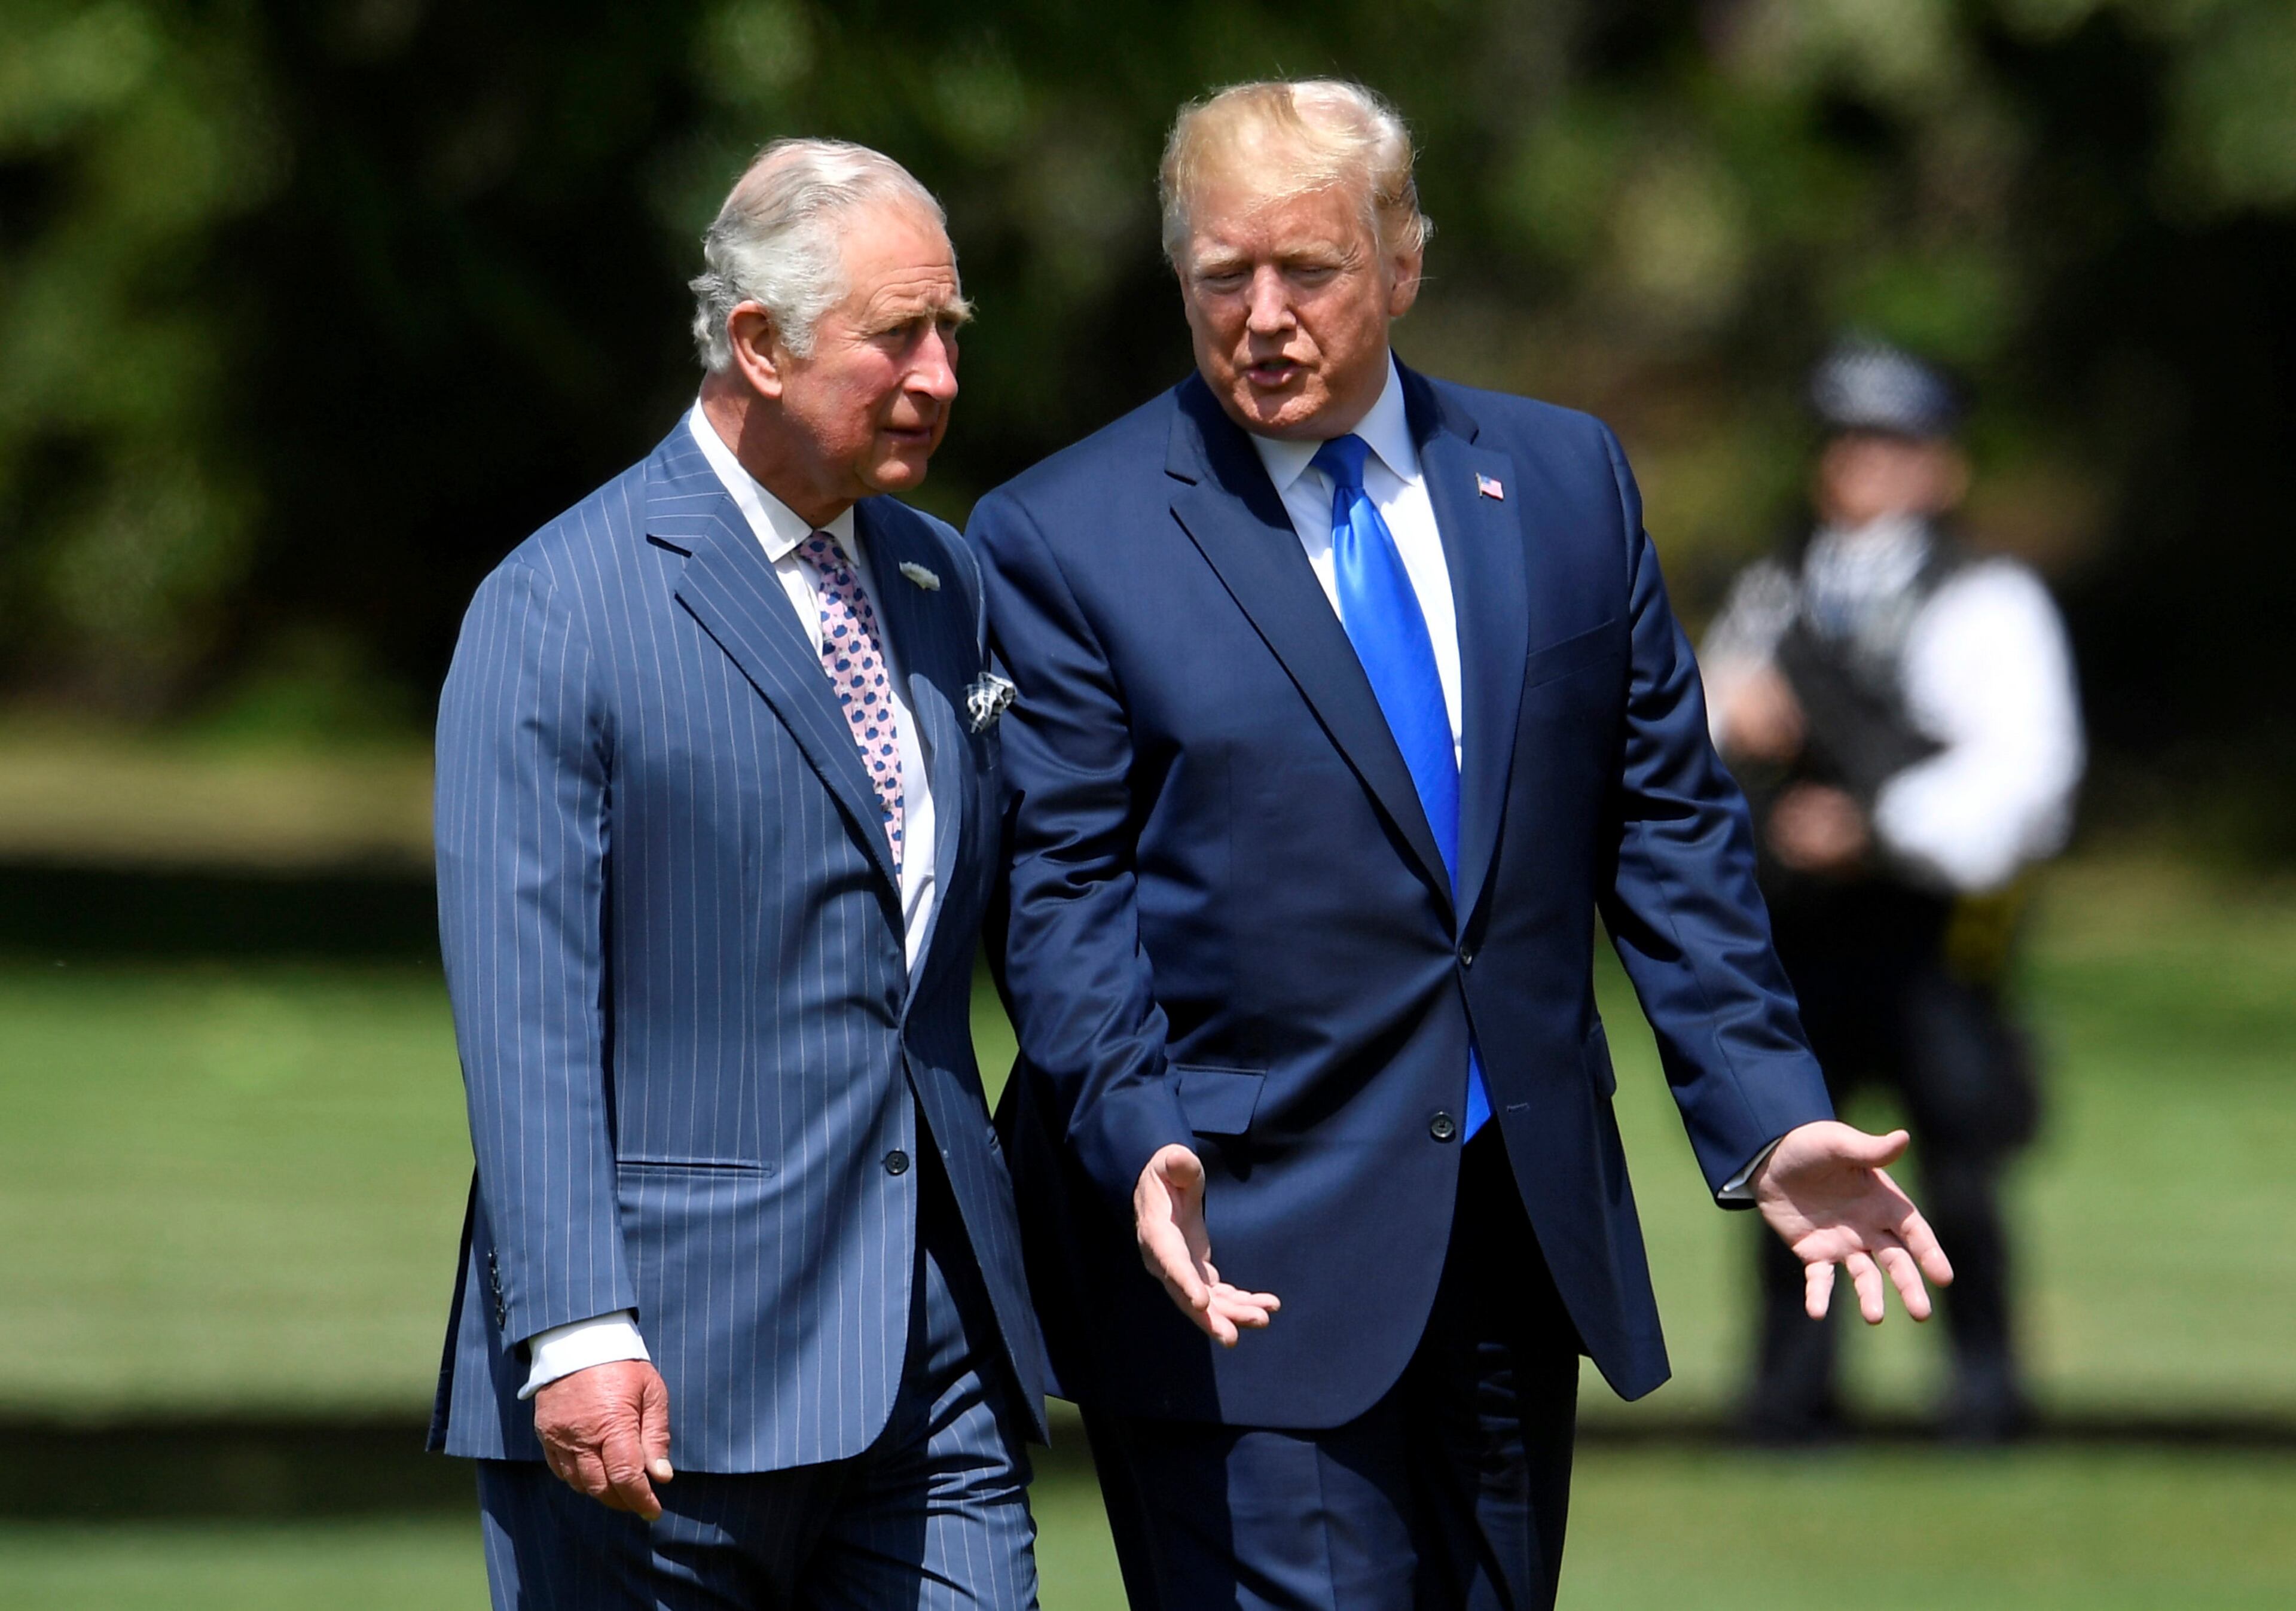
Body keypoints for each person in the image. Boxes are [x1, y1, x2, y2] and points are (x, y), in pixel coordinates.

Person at [969, 80, 1953, 1611]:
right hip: (1235, 1243)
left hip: (1513, 1244)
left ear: (1405, 262)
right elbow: (1061, 889)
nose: (1266, 317)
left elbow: (1671, 833)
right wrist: (1128, 1125)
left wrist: (1766, 1111)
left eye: (1312, 272)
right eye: (1224, 276)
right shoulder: (1062, 534)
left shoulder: (1564, 485)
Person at [426, 138, 1048, 1609]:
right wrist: (575, 1329)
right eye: (898, 334)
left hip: (936, 1364)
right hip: (663, 1387)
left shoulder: (941, 583)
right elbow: (526, 1013)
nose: (942, 375)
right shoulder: (557, 606)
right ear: (760, 345)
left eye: (949, 330)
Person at [1702, 336, 2083, 1442]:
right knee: (1790, 1151)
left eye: (1890, 444)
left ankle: (1984, 1390)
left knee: (1958, 1161)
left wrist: (1871, 826)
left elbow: (2023, 776)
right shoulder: (1778, 586)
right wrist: (1745, 719)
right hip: (1805, 934)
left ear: (1939, 465)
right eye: (1846, 443)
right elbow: (1704, 714)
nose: (1861, 466)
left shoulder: (1985, 598)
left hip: (1931, 935)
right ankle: (1789, 1394)